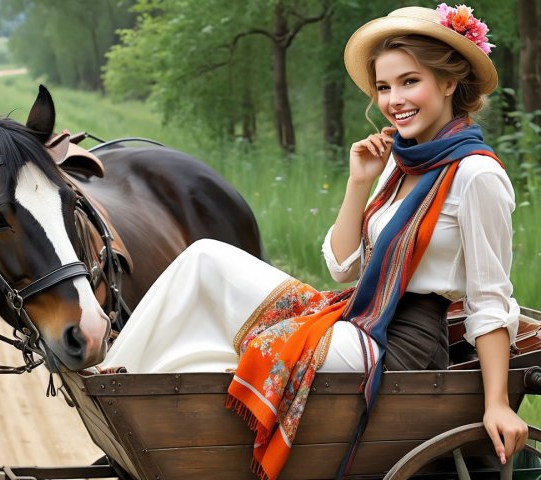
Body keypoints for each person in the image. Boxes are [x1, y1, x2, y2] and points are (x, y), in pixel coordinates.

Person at [99, 4, 528, 478]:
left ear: (449, 83)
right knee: (204, 258)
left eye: (410, 82)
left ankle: (143, 405)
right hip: (358, 315)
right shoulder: (398, 166)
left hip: (401, 345)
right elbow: (343, 269)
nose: (394, 100)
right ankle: (112, 383)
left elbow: (491, 298)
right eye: (384, 87)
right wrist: (358, 183)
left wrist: (498, 404)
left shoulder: (477, 174)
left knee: (258, 343)